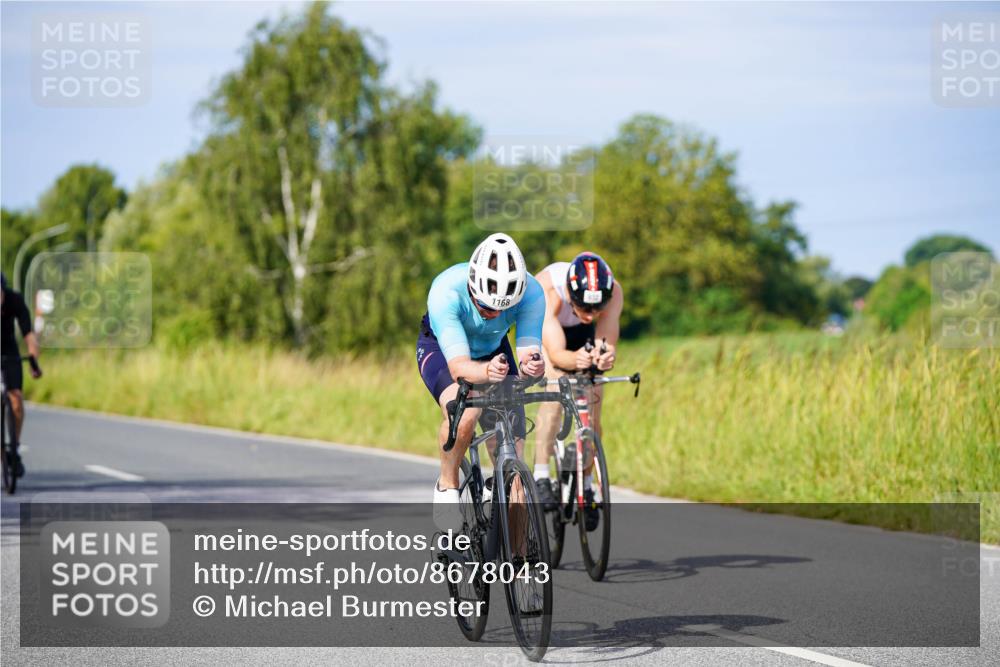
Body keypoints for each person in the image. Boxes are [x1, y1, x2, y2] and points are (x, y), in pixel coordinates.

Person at [416, 233, 546, 532]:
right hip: (444, 350)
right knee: (465, 413)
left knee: (512, 456)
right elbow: (460, 368)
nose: (494, 315)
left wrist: (533, 366)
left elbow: (529, 353)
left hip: (494, 351)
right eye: (486, 308)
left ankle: (520, 561)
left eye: (502, 309)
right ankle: (447, 487)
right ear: (474, 288)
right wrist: (486, 372)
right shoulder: (446, 292)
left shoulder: (532, 293)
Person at [532, 253, 623, 529]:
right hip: (547, 330)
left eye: (597, 310)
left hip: (580, 336)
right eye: (584, 308)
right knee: (555, 390)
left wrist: (604, 356)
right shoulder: (550, 292)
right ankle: (541, 475)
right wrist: (572, 361)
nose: (591, 315)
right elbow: (557, 354)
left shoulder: (613, 291)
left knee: (594, 402)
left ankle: (586, 483)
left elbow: (606, 341)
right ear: (572, 295)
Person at [1, 272, 42, 478]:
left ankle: (14, 448)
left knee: (16, 400)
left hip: (8, 350)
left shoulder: (15, 300)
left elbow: (29, 335)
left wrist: (34, 361)